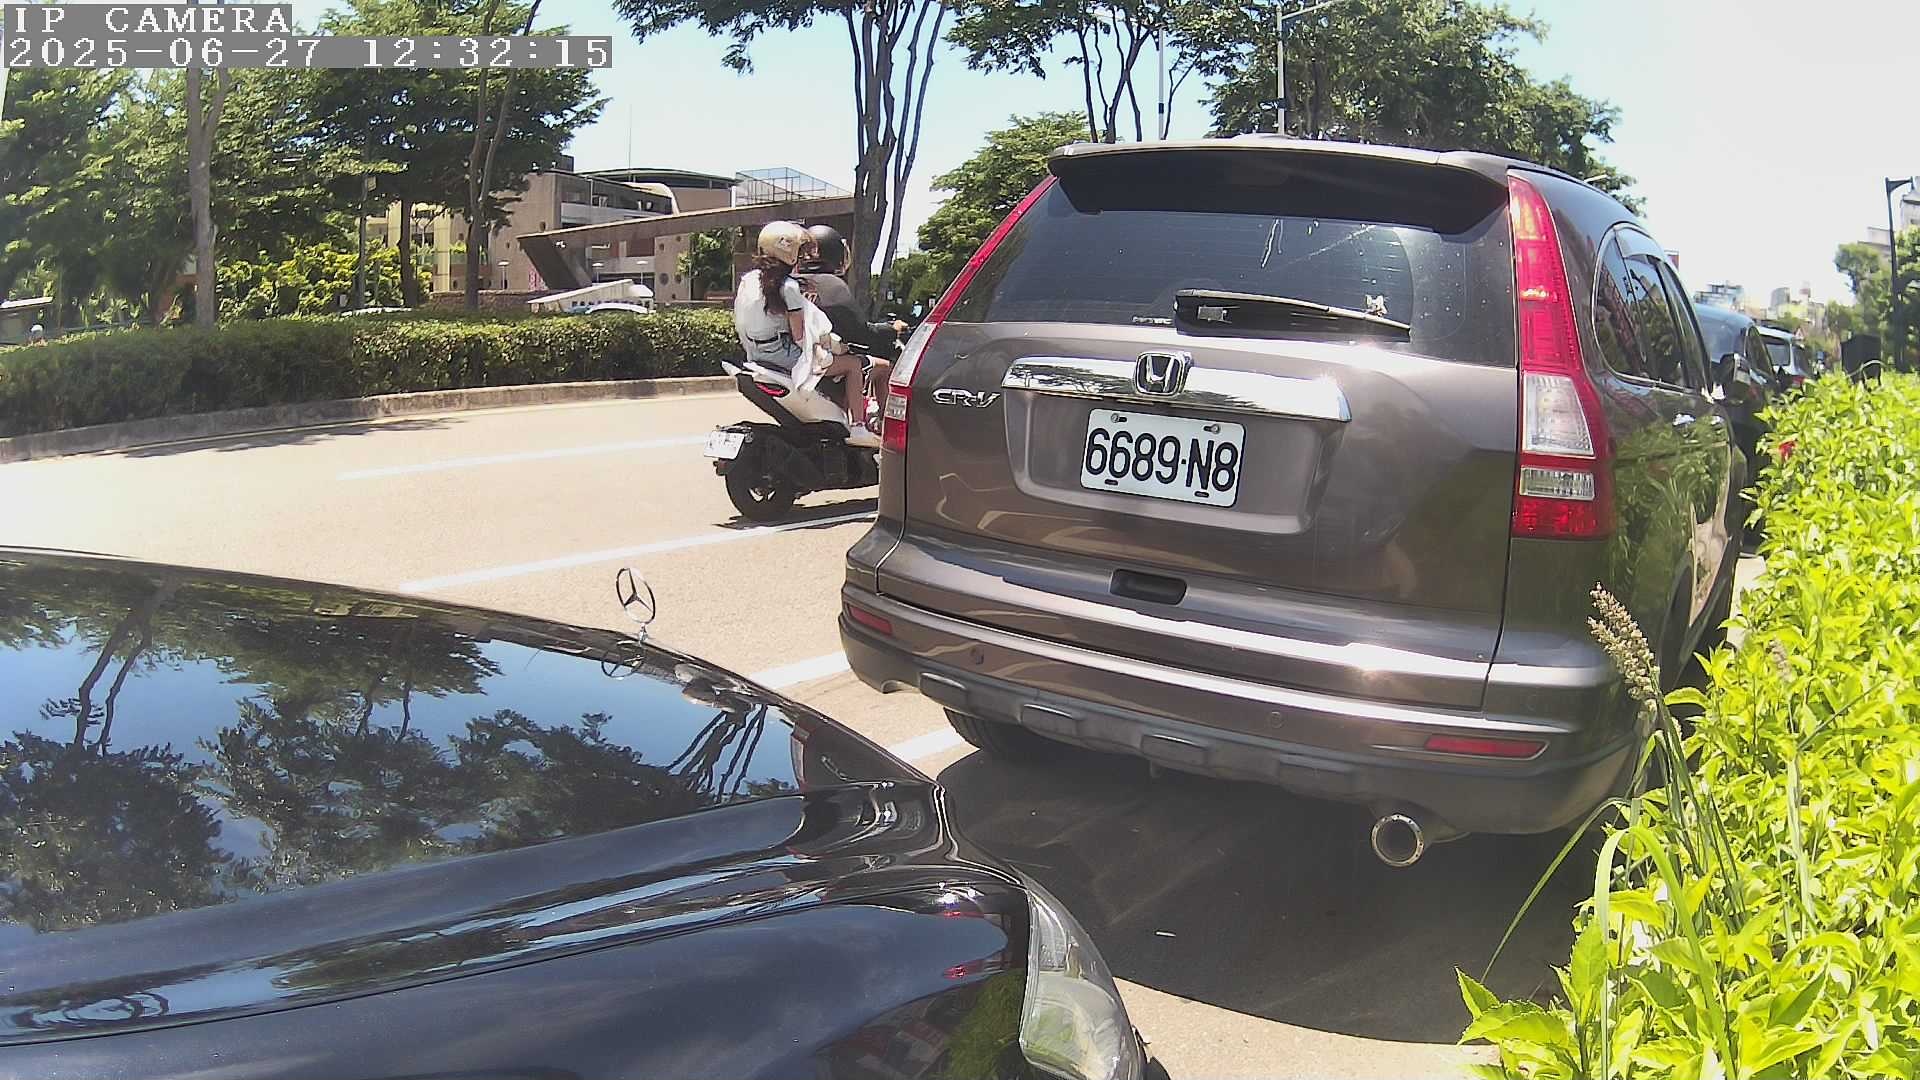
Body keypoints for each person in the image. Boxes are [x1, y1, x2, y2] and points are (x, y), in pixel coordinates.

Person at [732, 222, 863, 420]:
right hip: (783, 355)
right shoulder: (789, 287)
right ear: (789, 252)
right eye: (800, 251)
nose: (803, 257)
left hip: (755, 354)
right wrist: (828, 347)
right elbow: (800, 337)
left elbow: (740, 321)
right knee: (852, 365)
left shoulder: (749, 280)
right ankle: (859, 426)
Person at [795, 225, 904, 431]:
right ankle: (884, 426)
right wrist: (892, 329)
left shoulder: (792, 283)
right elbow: (862, 333)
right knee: (884, 368)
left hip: (795, 358)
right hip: (821, 361)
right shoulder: (831, 285)